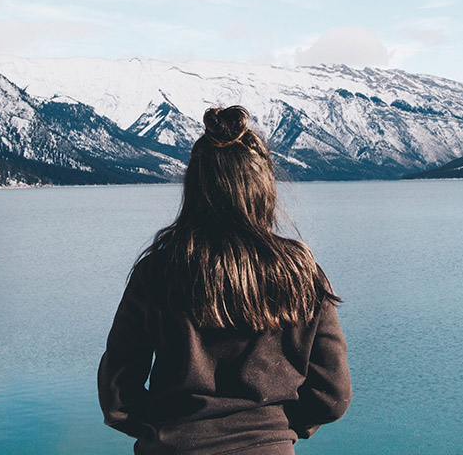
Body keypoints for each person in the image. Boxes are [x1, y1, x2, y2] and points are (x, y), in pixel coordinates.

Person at [98, 105, 351, 455]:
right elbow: (332, 396)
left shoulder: (157, 271)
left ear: (196, 187)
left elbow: (117, 393)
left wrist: (164, 432)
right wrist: (276, 432)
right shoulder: (300, 273)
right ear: (263, 187)